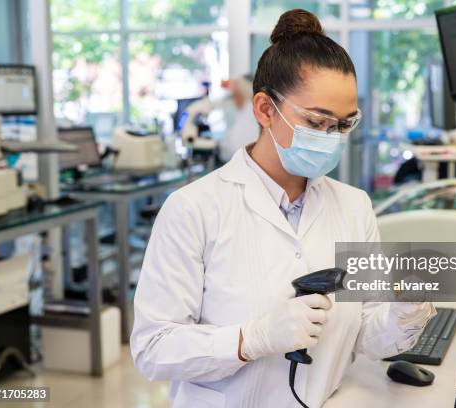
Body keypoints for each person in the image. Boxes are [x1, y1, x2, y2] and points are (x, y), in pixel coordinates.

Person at [131, 9, 435, 408]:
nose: (331, 138)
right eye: (316, 121)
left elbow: (364, 333)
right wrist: (251, 339)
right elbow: (152, 348)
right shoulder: (194, 209)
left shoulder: (354, 206)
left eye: (343, 125)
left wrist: (405, 311)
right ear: (264, 109)